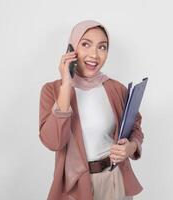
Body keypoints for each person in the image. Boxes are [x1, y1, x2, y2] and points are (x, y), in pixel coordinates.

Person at [39, 20, 144, 200]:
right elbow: (53, 142)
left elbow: (135, 128)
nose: (94, 55)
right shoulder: (52, 90)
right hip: (76, 187)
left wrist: (131, 147)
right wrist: (66, 86)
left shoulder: (116, 89)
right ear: (71, 48)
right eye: (86, 44)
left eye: (102, 47)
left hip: (114, 180)